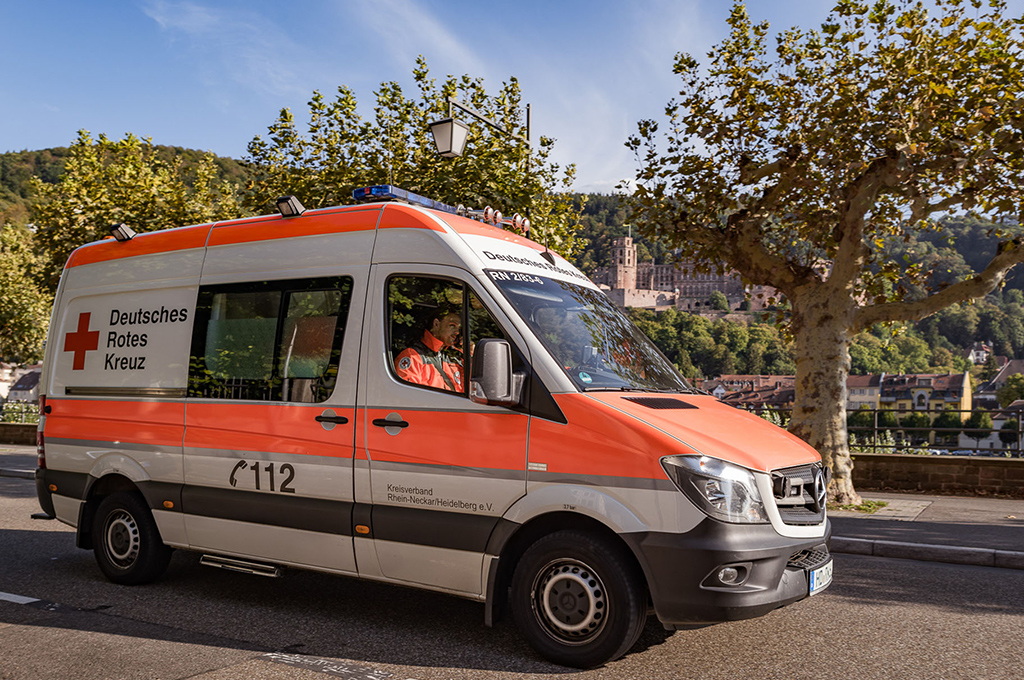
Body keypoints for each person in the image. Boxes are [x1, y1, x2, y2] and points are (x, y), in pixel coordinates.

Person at [394, 308, 464, 392]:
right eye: (452, 325)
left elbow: (472, 389)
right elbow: (408, 395)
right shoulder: (413, 356)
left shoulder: (454, 357)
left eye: (459, 329)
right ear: (436, 324)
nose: (457, 332)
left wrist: (467, 354)